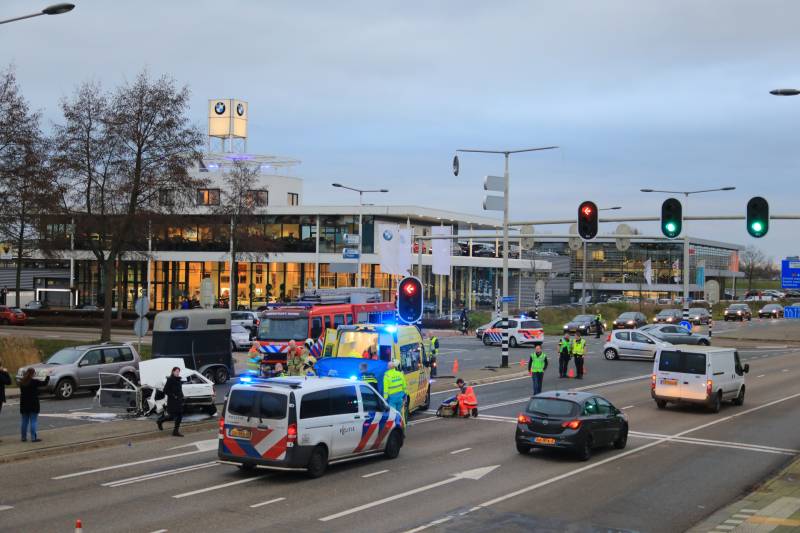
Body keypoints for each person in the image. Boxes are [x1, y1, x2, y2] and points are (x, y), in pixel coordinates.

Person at [19, 368, 48, 442]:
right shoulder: (34, 382)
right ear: (33, 374)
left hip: (24, 403)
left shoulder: (22, 382)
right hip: (33, 403)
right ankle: (33, 438)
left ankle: (23, 437)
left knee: (24, 421)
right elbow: (44, 383)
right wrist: (47, 375)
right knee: (33, 421)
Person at [157, 367, 184, 437]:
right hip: (172, 401)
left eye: (178, 372)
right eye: (176, 371)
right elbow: (165, 390)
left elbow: (179, 390)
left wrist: (182, 396)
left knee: (180, 416)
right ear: (173, 372)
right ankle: (160, 421)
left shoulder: (179, 380)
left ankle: (175, 431)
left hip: (179, 400)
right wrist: (173, 395)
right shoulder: (170, 380)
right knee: (172, 416)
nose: (178, 373)